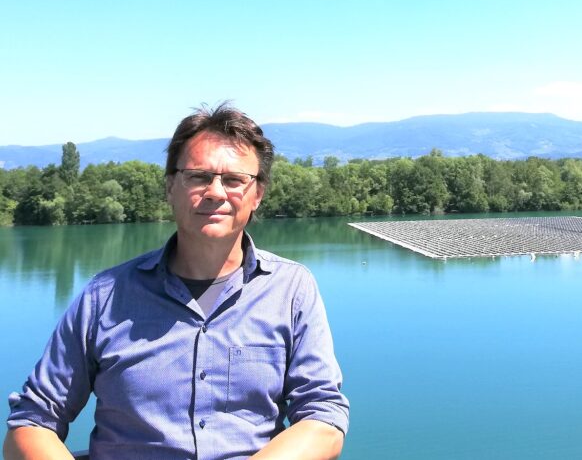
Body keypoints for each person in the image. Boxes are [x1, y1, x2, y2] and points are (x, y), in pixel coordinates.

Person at [5, 104, 349, 460]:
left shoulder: (291, 289)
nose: (216, 192)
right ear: (170, 187)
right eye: (198, 176)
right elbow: (32, 423)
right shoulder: (105, 296)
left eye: (234, 180)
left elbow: (323, 416)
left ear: (257, 194)